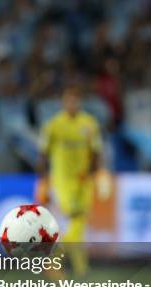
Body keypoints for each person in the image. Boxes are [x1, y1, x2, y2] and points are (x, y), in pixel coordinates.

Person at [36, 86, 110, 275]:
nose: (71, 104)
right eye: (68, 100)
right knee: (75, 217)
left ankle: (78, 268)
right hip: (62, 181)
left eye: (74, 100)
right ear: (63, 102)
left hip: (83, 181)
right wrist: (43, 180)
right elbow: (43, 155)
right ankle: (58, 259)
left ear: (79, 102)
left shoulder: (89, 123)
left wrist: (98, 172)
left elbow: (96, 152)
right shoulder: (54, 125)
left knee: (80, 221)